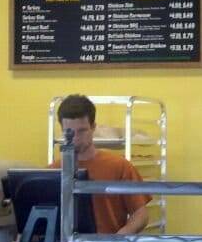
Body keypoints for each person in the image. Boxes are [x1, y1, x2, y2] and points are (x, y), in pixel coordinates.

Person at [52, 94, 149, 234]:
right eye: (69, 132)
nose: (76, 138)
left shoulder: (119, 166)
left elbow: (141, 215)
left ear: (93, 127)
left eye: (82, 131)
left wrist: (119, 239)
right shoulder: (53, 171)